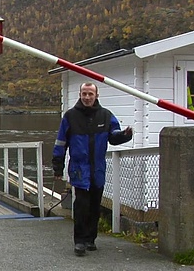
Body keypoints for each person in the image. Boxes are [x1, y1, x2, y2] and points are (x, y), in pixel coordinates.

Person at [51, 82, 133, 257]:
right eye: (84, 94)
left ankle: (91, 239)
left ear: (96, 95)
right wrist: (58, 167)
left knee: (95, 206)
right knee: (81, 206)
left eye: (90, 94)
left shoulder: (106, 116)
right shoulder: (70, 117)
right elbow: (60, 143)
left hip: (98, 169)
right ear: (80, 95)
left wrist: (126, 135)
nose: (87, 97)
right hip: (79, 170)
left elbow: (114, 137)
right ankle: (79, 242)